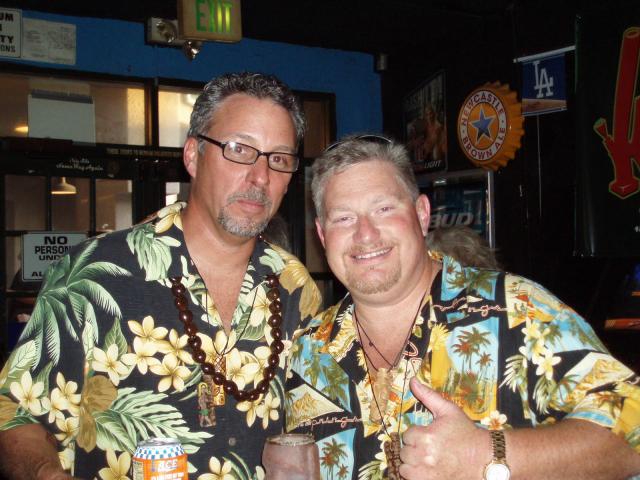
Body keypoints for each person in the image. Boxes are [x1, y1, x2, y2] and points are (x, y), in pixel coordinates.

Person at [0, 72, 321, 480]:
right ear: (192, 156)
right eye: (239, 149)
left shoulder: (295, 288)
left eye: (279, 159)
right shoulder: (94, 273)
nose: (261, 177)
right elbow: (14, 414)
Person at [285, 134, 640, 479]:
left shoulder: (516, 309)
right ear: (322, 234)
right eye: (343, 218)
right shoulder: (307, 352)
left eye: (384, 208)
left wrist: (487, 456)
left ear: (422, 214)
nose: (365, 233)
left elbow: (633, 428)